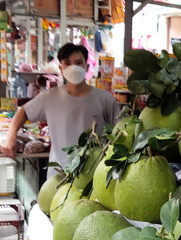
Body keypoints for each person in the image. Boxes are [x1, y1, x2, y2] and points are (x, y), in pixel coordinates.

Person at [1, 43, 119, 177]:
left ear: (87, 67)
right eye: (68, 63)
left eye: (78, 62)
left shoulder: (105, 99)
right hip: (58, 177)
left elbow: (121, 131)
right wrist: (11, 135)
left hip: (94, 177)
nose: (73, 67)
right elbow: (23, 112)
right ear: (61, 69)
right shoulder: (49, 97)